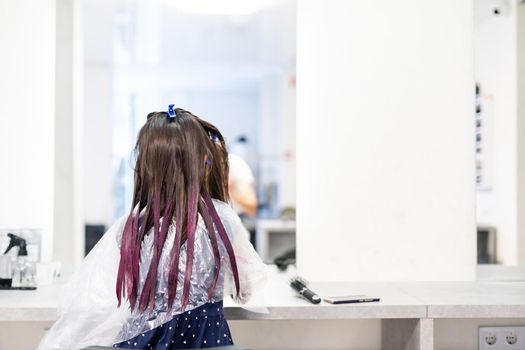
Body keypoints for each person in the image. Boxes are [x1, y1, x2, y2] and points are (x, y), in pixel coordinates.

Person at [38, 106, 267, 350]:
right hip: (207, 343)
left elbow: (100, 299)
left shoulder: (129, 228)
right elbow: (245, 291)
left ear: (145, 165)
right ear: (202, 161)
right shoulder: (222, 221)